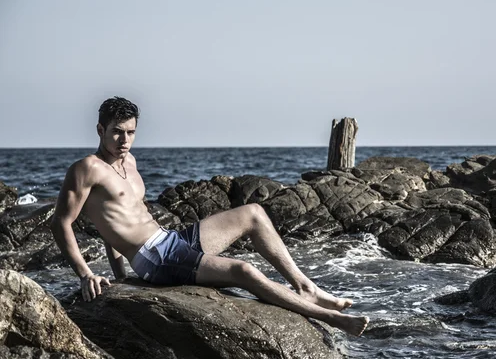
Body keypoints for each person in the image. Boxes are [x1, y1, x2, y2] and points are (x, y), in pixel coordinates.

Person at [50, 96, 369, 337]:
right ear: (100, 130)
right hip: (154, 259)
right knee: (244, 270)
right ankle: (332, 319)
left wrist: (120, 276)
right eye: (117, 133)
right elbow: (61, 222)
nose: (125, 140)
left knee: (254, 213)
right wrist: (85, 274)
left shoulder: (129, 162)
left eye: (131, 132)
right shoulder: (87, 169)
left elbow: (115, 222)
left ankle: (305, 286)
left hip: (171, 241)